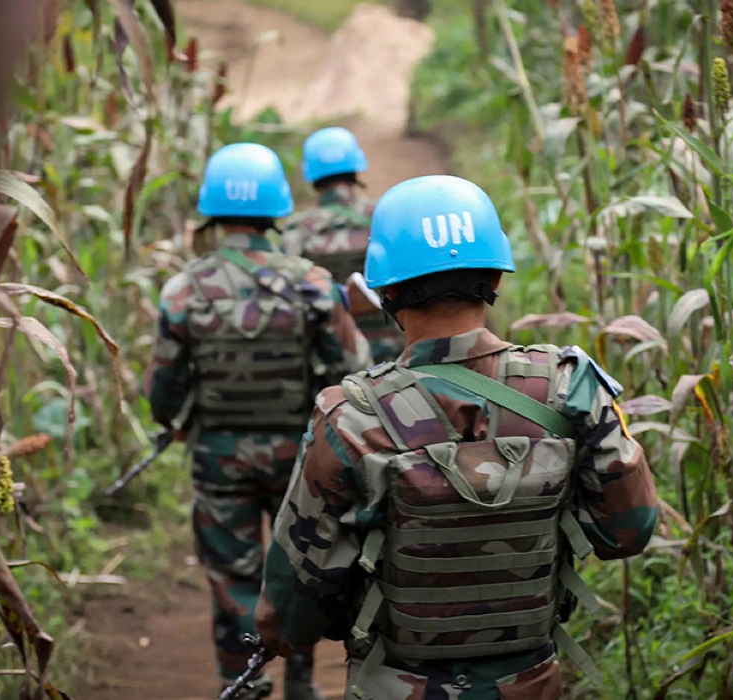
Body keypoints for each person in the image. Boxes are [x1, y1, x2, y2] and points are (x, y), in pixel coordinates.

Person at [254, 175, 659, 700]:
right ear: (494, 274)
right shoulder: (569, 387)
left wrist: (287, 632)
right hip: (530, 683)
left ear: (385, 289)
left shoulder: (350, 416)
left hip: (397, 684)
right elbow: (628, 533)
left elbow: (292, 605)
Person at [143, 142, 372, 700]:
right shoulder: (312, 283)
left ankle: (241, 684)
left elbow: (163, 392)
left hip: (219, 457)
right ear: (276, 206)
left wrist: (175, 420)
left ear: (212, 211)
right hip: (301, 455)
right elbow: (352, 367)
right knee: (303, 569)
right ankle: (301, 681)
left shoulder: (183, 289)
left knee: (232, 578)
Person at [281, 126, 406, 365]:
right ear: (356, 167)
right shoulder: (384, 215)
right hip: (394, 349)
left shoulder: (298, 228)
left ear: (312, 176)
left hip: (334, 354)